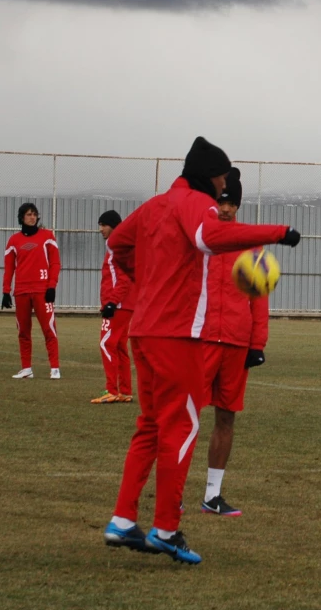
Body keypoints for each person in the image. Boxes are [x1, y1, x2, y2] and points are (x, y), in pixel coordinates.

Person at [102, 137, 300, 565]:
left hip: (145, 332)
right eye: (223, 178)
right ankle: (166, 529)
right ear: (211, 176)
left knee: (150, 426)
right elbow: (209, 235)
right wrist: (278, 233)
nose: (224, 187)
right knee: (183, 427)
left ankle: (121, 520)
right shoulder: (197, 204)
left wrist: (144, 277)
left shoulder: (155, 204)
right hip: (179, 336)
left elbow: (117, 242)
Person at [199, 168, 269, 516]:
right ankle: (172, 493)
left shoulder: (250, 245)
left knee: (226, 418)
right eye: (222, 201)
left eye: (232, 203)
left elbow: (259, 298)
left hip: (237, 342)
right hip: (201, 340)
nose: (226, 209)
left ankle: (212, 494)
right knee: (184, 417)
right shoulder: (200, 240)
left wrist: (257, 344)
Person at [2, 202, 62, 379]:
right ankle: (26, 369)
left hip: (42, 290)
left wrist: (51, 286)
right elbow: (9, 268)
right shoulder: (13, 240)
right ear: (21, 217)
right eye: (28, 214)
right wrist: (6, 291)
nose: (32, 217)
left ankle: (55, 368)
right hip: (21, 292)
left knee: (49, 329)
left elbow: (56, 263)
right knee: (23, 331)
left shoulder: (47, 236)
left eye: (34, 214)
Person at [92, 210, 135, 404]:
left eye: (104, 225)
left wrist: (111, 302)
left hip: (118, 304)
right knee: (119, 346)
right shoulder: (118, 245)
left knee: (106, 343)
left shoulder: (117, 247)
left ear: (114, 226)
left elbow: (124, 278)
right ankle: (125, 391)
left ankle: (111, 390)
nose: (101, 229)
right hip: (125, 304)